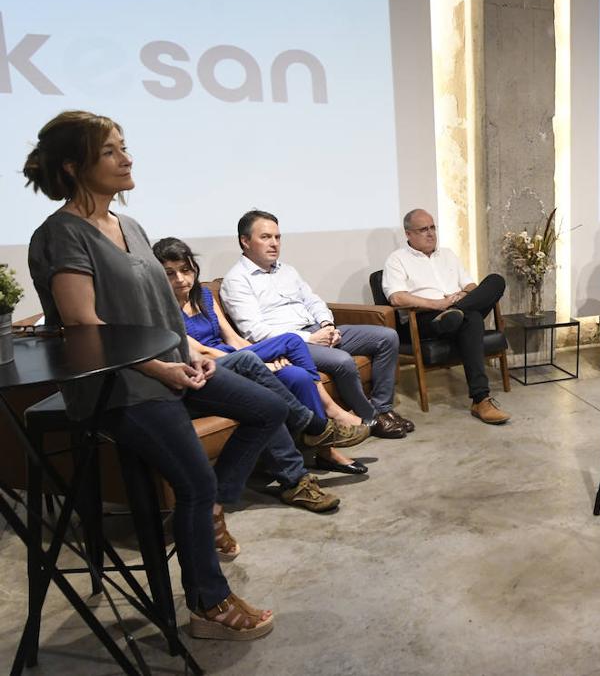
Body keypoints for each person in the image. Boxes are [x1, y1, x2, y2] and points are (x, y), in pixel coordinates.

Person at [24, 110, 275, 640]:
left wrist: (189, 353)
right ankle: (208, 603)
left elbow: (159, 311)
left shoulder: (131, 226)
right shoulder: (61, 235)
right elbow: (84, 325)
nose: (126, 158)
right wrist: (162, 368)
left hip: (168, 369)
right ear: (72, 165)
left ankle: (212, 506)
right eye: (110, 150)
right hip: (118, 386)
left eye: (124, 146)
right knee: (193, 481)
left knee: (269, 408)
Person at [153, 237, 370, 482]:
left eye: (185, 270)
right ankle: (328, 429)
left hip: (235, 354)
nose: (180, 279)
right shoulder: (161, 309)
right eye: (170, 273)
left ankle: (325, 444)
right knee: (284, 365)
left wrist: (264, 357)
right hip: (213, 365)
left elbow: (233, 338)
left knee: (295, 362)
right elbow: (202, 352)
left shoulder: (203, 295)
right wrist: (258, 364)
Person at [220, 210, 409, 439]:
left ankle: (383, 408)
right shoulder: (236, 280)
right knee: (342, 361)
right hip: (290, 344)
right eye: (266, 237)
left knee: (387, 337)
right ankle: (371, 418)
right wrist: (310, 339)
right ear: (245, 241)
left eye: (277, 237)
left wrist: (327, 324)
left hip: (316, 329)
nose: (274, 243)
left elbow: (313, 300)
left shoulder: (287, 270)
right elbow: (255, 331)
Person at [381, 208, 510, 424]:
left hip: (456, 309)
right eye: (423, 229)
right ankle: (481, 400)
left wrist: (461, 297)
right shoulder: (397, 259)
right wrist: (438, 304)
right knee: (472, 318)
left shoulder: (448, 254)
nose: (431, 233)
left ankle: (457, 311)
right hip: (426, 318)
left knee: (496, 281)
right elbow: (397, 297)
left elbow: (470, 285)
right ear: (408, 234)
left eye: (433, 227)